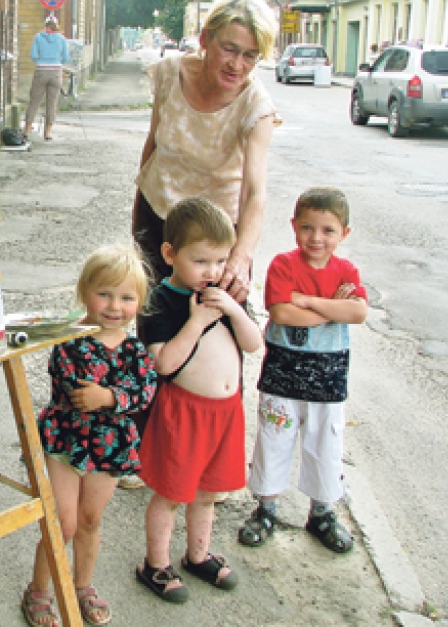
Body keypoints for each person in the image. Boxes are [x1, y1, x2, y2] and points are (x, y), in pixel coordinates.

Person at [135, 198, 262, 604]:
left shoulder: (225, 294)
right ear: (171, 254)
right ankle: (154, 564)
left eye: (221, 261)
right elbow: (164, 364)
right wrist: (199, 321)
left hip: (226, 412)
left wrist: (233, 310)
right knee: (172, 493)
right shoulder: (161, 300)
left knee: (209, 492)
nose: (213, 271)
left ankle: (198, 554)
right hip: (182, 412)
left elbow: (254, 343)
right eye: (202, 261)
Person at [21, 243, 156, 627]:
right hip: (67, 441)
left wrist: (110, 396)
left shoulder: (135, 350)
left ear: (139, 302)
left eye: (126, 297)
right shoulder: (69, 340)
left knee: (91, 519)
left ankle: (82, 586)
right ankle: (40, 590)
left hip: (111, 449)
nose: (115, 306)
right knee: (61, 521)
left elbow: (146, 391)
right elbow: (75, 389)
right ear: (85, 294)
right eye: (104, 294)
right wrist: (111, 397)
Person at [238, 187, 368, 554]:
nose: (317, 238)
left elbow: (357, 312)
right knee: (274, 440)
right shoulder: (283, 265)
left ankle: (322, 513)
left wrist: (309, 301)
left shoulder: (346, 270)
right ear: (294, 226)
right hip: (283, 373)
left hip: (328, 377)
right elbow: (281, 313)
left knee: (325, 444)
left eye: (328, 230)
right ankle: (266, 509)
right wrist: (332, 308)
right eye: (308, 227)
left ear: (344, 233)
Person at [133, 0, 279, 305]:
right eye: (229, 48)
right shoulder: (170, 74)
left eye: (250, 56)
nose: (237, 65)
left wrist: (240, 258)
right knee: (155, 332)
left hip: (216, 238)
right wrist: (138, 218)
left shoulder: (256, 107)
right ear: (205, 39)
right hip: (158, 218)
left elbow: (255, 192)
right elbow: (153, 145)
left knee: (215, 338)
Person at [22, 16, 70, 141]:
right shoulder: (62, 39)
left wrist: (40, 61)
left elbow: (33, 55)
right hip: (56, 72)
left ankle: (27, 130)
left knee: (34, 102)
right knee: (52, 103)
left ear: (45, 25)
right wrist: (57, 62)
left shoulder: (38, 37)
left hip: (41, 71)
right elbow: (66, 58)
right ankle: (47, 133)